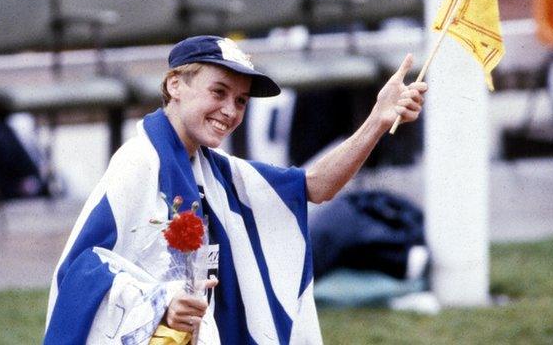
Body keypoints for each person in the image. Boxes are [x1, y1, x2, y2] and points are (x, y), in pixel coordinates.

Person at [44, 35, 426, 344]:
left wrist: (377, 120)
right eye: (219, 92)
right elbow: (82, 269)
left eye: (241, 100)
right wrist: (159, 302)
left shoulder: (216, 170)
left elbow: (314, 186)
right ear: (175, 84)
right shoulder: (138, 163)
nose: (230, 110)